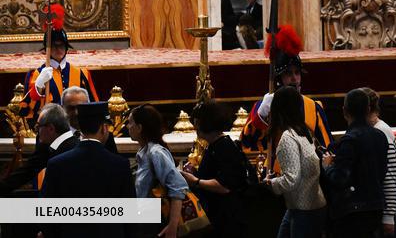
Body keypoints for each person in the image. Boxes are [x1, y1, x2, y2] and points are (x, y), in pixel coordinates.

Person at [241, 24, 332, 167]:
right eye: (289, 73)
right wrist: (260, 117)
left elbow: (326, 147)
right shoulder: (263, 107)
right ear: (279, 78)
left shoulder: (313, 107)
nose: (295, 79)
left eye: (297, 73)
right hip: (275, 173)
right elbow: (248, 143)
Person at [41, 102, 133, 238]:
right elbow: (130, 216)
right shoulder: (120, 165)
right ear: (104, 128)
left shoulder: (56, 164)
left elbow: (47, 214)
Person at [321, 88, 388, 237]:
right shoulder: (380, 136)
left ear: (344, 111)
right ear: (368, 109)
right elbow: (383, 174)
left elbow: (340, 178)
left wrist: (328, 166)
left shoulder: (350, 141)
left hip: (352, 213)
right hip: (376, 208)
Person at [20, 4, 99, 127]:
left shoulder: (81, 73)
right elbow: (25, 109)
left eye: (62, 45)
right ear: (47, 49)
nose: (59, 49)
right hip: (50, 129)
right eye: (54, 46)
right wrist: (38, 86)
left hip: (76, 128)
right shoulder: (36, 73)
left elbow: (93, 104)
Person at [181, 100, 251, 238]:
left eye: (197, 121)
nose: (194, 126)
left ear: (206, 123)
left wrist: (195, 181)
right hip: (218, 215)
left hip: (227, 219)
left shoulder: (224, 147)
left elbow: (225, 186)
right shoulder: (214, 145)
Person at [265, 87, 326, 238]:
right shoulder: (304, 132)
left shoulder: (288, 138)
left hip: (303, 211)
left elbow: (291, 180)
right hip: (310, 205)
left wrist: (270, 184)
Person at [128, 103, 189, 238]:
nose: (127, 127)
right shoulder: (143, 153)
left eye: (130, 123)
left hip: (156, 221)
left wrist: (173, 226)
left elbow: (178, 187)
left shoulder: (156, 153)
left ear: (139, 127)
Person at [0, 103, 75, 196]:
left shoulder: (71, 152)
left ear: (51, 128)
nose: (37, 131)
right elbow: (26, 172)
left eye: (38, 126)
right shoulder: (49, 146)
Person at [361, 88, 396, 238]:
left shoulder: (381, 131)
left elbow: (391, 175)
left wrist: (388, 216)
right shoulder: (372, 130)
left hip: (389, 203)